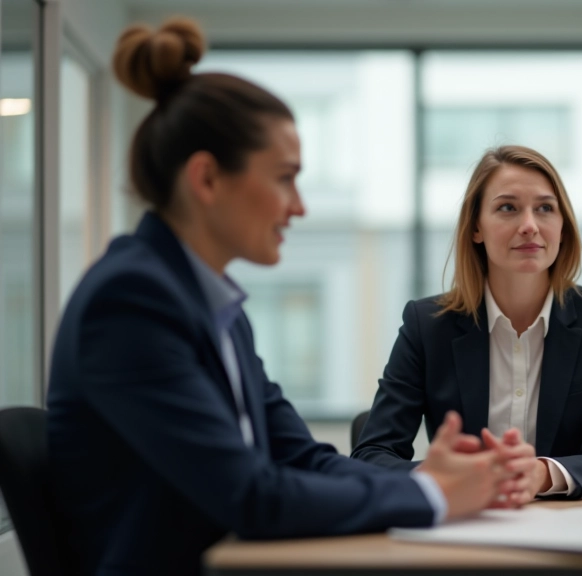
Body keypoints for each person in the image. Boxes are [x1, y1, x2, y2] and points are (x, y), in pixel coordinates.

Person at [47, 19, 521, 576]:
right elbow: (252, 496)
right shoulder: (131, 303)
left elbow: (301, 456)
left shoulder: (215, 308)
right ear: (206, 179)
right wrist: (432, 497)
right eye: (284, 178)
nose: (299, 207)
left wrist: (430, 481)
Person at [352, 145, 582, 502]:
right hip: (464, 521)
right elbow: (372, 454)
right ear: (476, 228)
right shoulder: (427, 326)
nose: (530, 226)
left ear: (563, 227)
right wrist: (449, 476)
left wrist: (540, 473)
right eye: (508, 208)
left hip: (564, 525)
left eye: (545, 208)